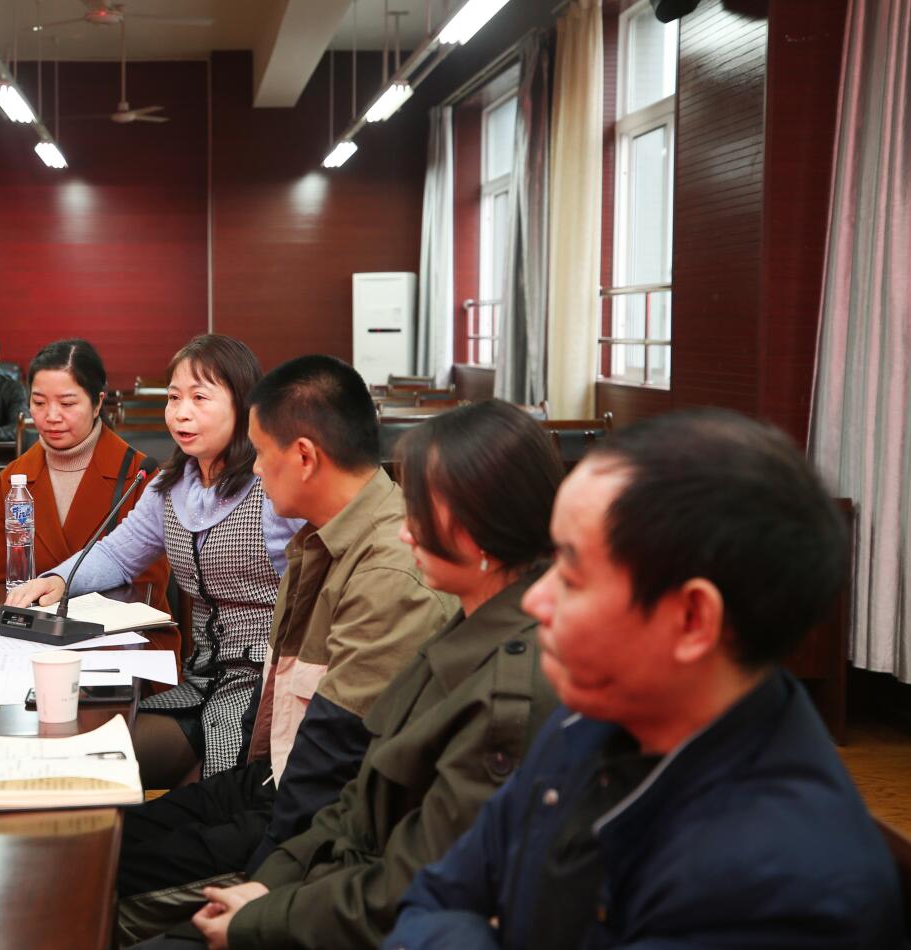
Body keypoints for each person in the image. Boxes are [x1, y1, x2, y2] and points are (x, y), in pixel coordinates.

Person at [385, 409, 903, 950]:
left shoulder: (781, 887)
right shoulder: (587, 719)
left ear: (692, 620)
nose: (536, 600)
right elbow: (435, 896)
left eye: (572, 576)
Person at [182, 400, 564, 950]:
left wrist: (262, 917)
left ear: (479, 526)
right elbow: (359, 801)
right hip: (324, 891)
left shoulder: (508, 687)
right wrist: (270, 884)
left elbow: (416, 880)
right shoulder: (467, 625)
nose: (406, 532)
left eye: (422, 510)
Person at [113, 355, 458, 945]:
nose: (253, 470)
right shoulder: (320, 534)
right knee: (110, 838)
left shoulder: (387, 571)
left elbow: (334, 764)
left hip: (319, 824)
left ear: (303, 457)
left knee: (105, 884)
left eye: (259, 453)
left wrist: (268, 883)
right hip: (275, 777)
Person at [6, 334, 305, 786]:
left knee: (198, 801)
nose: (180, 412)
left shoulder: (274, 486)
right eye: (173, 397)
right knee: (79, 759)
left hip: (265, 691)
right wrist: (59, 580)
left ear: (244, 405)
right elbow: (118, 552)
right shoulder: (171, 484)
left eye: (199, 398)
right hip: (201, 682)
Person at [0, 339, 170, 611]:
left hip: (117, 628)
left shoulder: (139, 475)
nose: (51, 416)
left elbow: (149, 585)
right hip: (33, 626)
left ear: (97, 403)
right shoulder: (13, 478)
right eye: (39, 402)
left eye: (67, 404)